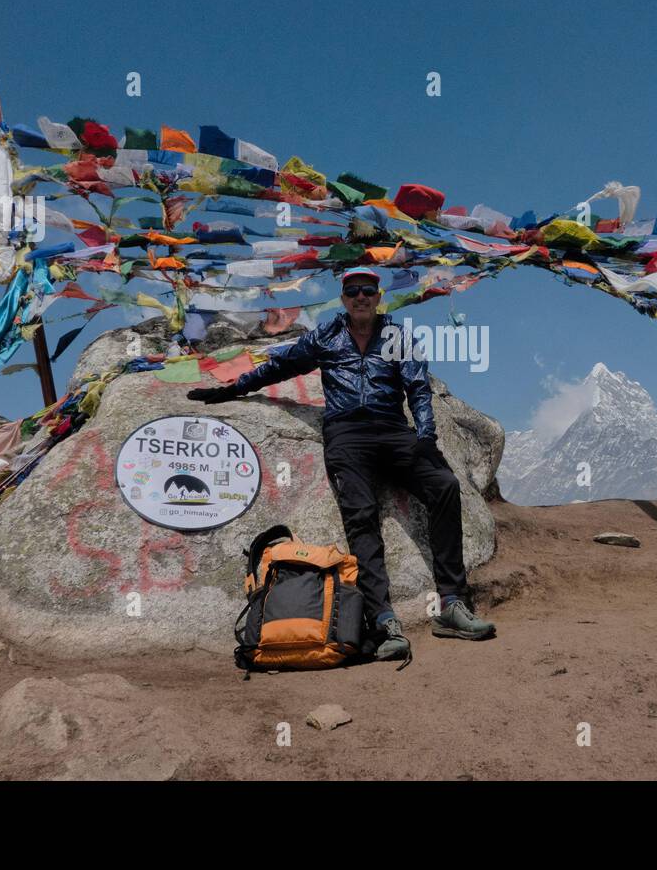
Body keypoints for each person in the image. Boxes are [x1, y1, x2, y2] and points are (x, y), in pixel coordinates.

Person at [188, 267, 495, 663]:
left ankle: (451, 604)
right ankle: (383, 619)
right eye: (353, 291)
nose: (361, 297)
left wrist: (426, 435)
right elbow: (279, 366)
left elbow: (418, 388)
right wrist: (232, 389)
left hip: (393, 428)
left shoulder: (398, 337)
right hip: (347, 434)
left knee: (444, 485)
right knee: (362, 517)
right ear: (344, 298)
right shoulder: (325, 336)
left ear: (378, 296)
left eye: (368, 290)